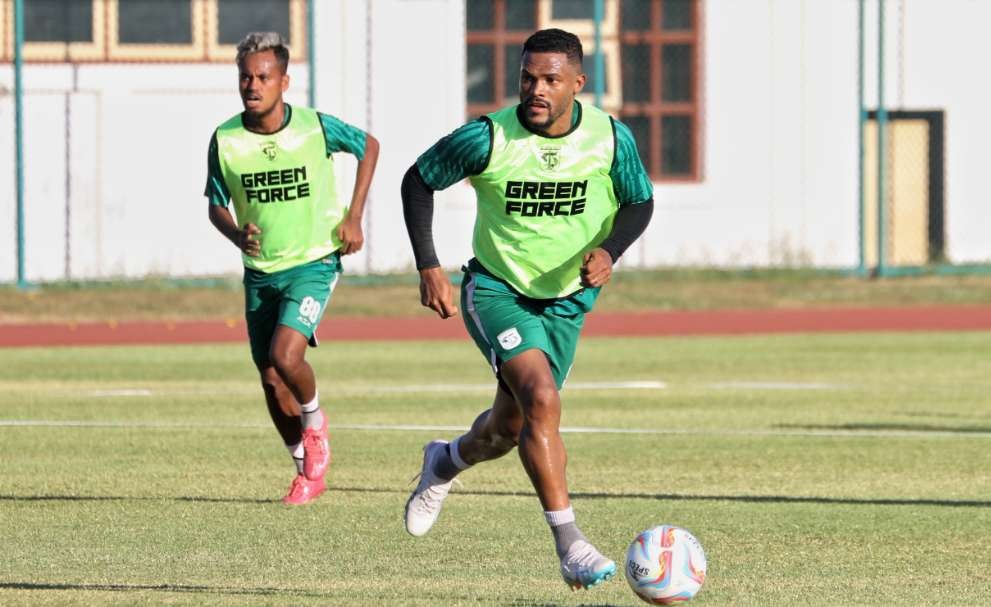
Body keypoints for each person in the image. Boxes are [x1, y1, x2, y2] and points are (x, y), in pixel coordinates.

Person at [400, 28, 654, 590]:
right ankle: (571, 546)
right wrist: (429, 265)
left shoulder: (611, 138)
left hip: (566, 303)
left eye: (550, 80)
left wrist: (610, 251)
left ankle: (444, 461)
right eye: (527, 78)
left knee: (508, 429)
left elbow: (639, 202)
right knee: (543, 399)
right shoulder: (488, 137)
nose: (536, 89)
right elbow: (418, 180)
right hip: (495, 290)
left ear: (578, 85)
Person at [204, 32, 379, 505]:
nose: (252, 85)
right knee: (269, 377)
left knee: (286, 354)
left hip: (314, 262)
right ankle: (305, 467)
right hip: (261, 271)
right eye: (245, 76)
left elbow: (369, 146)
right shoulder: (225, 140)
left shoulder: (314, 127)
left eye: (263, 76)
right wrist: (237, 234)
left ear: (284, 80)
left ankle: (316, 422)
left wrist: (354, 215)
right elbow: (215, 206)